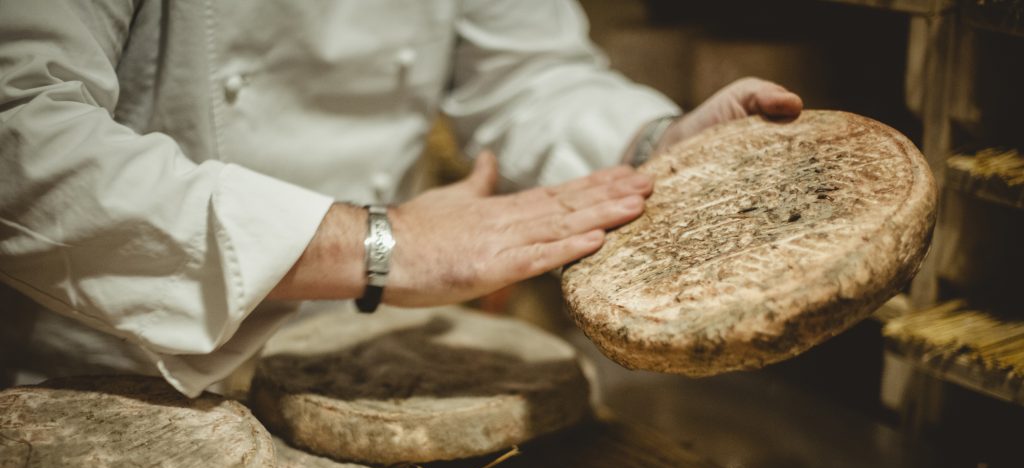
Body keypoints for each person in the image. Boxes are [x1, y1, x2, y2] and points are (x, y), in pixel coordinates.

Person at [0, 0, 802, 396]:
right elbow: (23, 132)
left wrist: (652, 150)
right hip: (114, 356)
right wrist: (383, 245)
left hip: (349, 356)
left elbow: (528, 72)